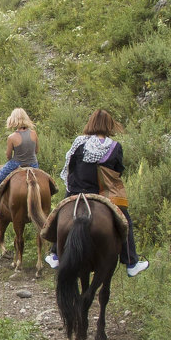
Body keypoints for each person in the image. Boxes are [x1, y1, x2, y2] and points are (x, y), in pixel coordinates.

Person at [45, 109, 149, 277]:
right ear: (109, 125)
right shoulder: (114, 147)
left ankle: (55, 253)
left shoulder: (79, 142)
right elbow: (117, 172)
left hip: (76, 190)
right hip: (101, 194)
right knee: (125, 222)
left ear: (91, 123)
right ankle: (131, 262)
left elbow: (70, 167)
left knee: (59, 214)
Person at [0, 108, 39, 220]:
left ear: (13, 120)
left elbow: (8, 156)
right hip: (33, 164)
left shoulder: (12, 137)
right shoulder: (34, 133)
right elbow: (36, 151)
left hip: (17, 163)